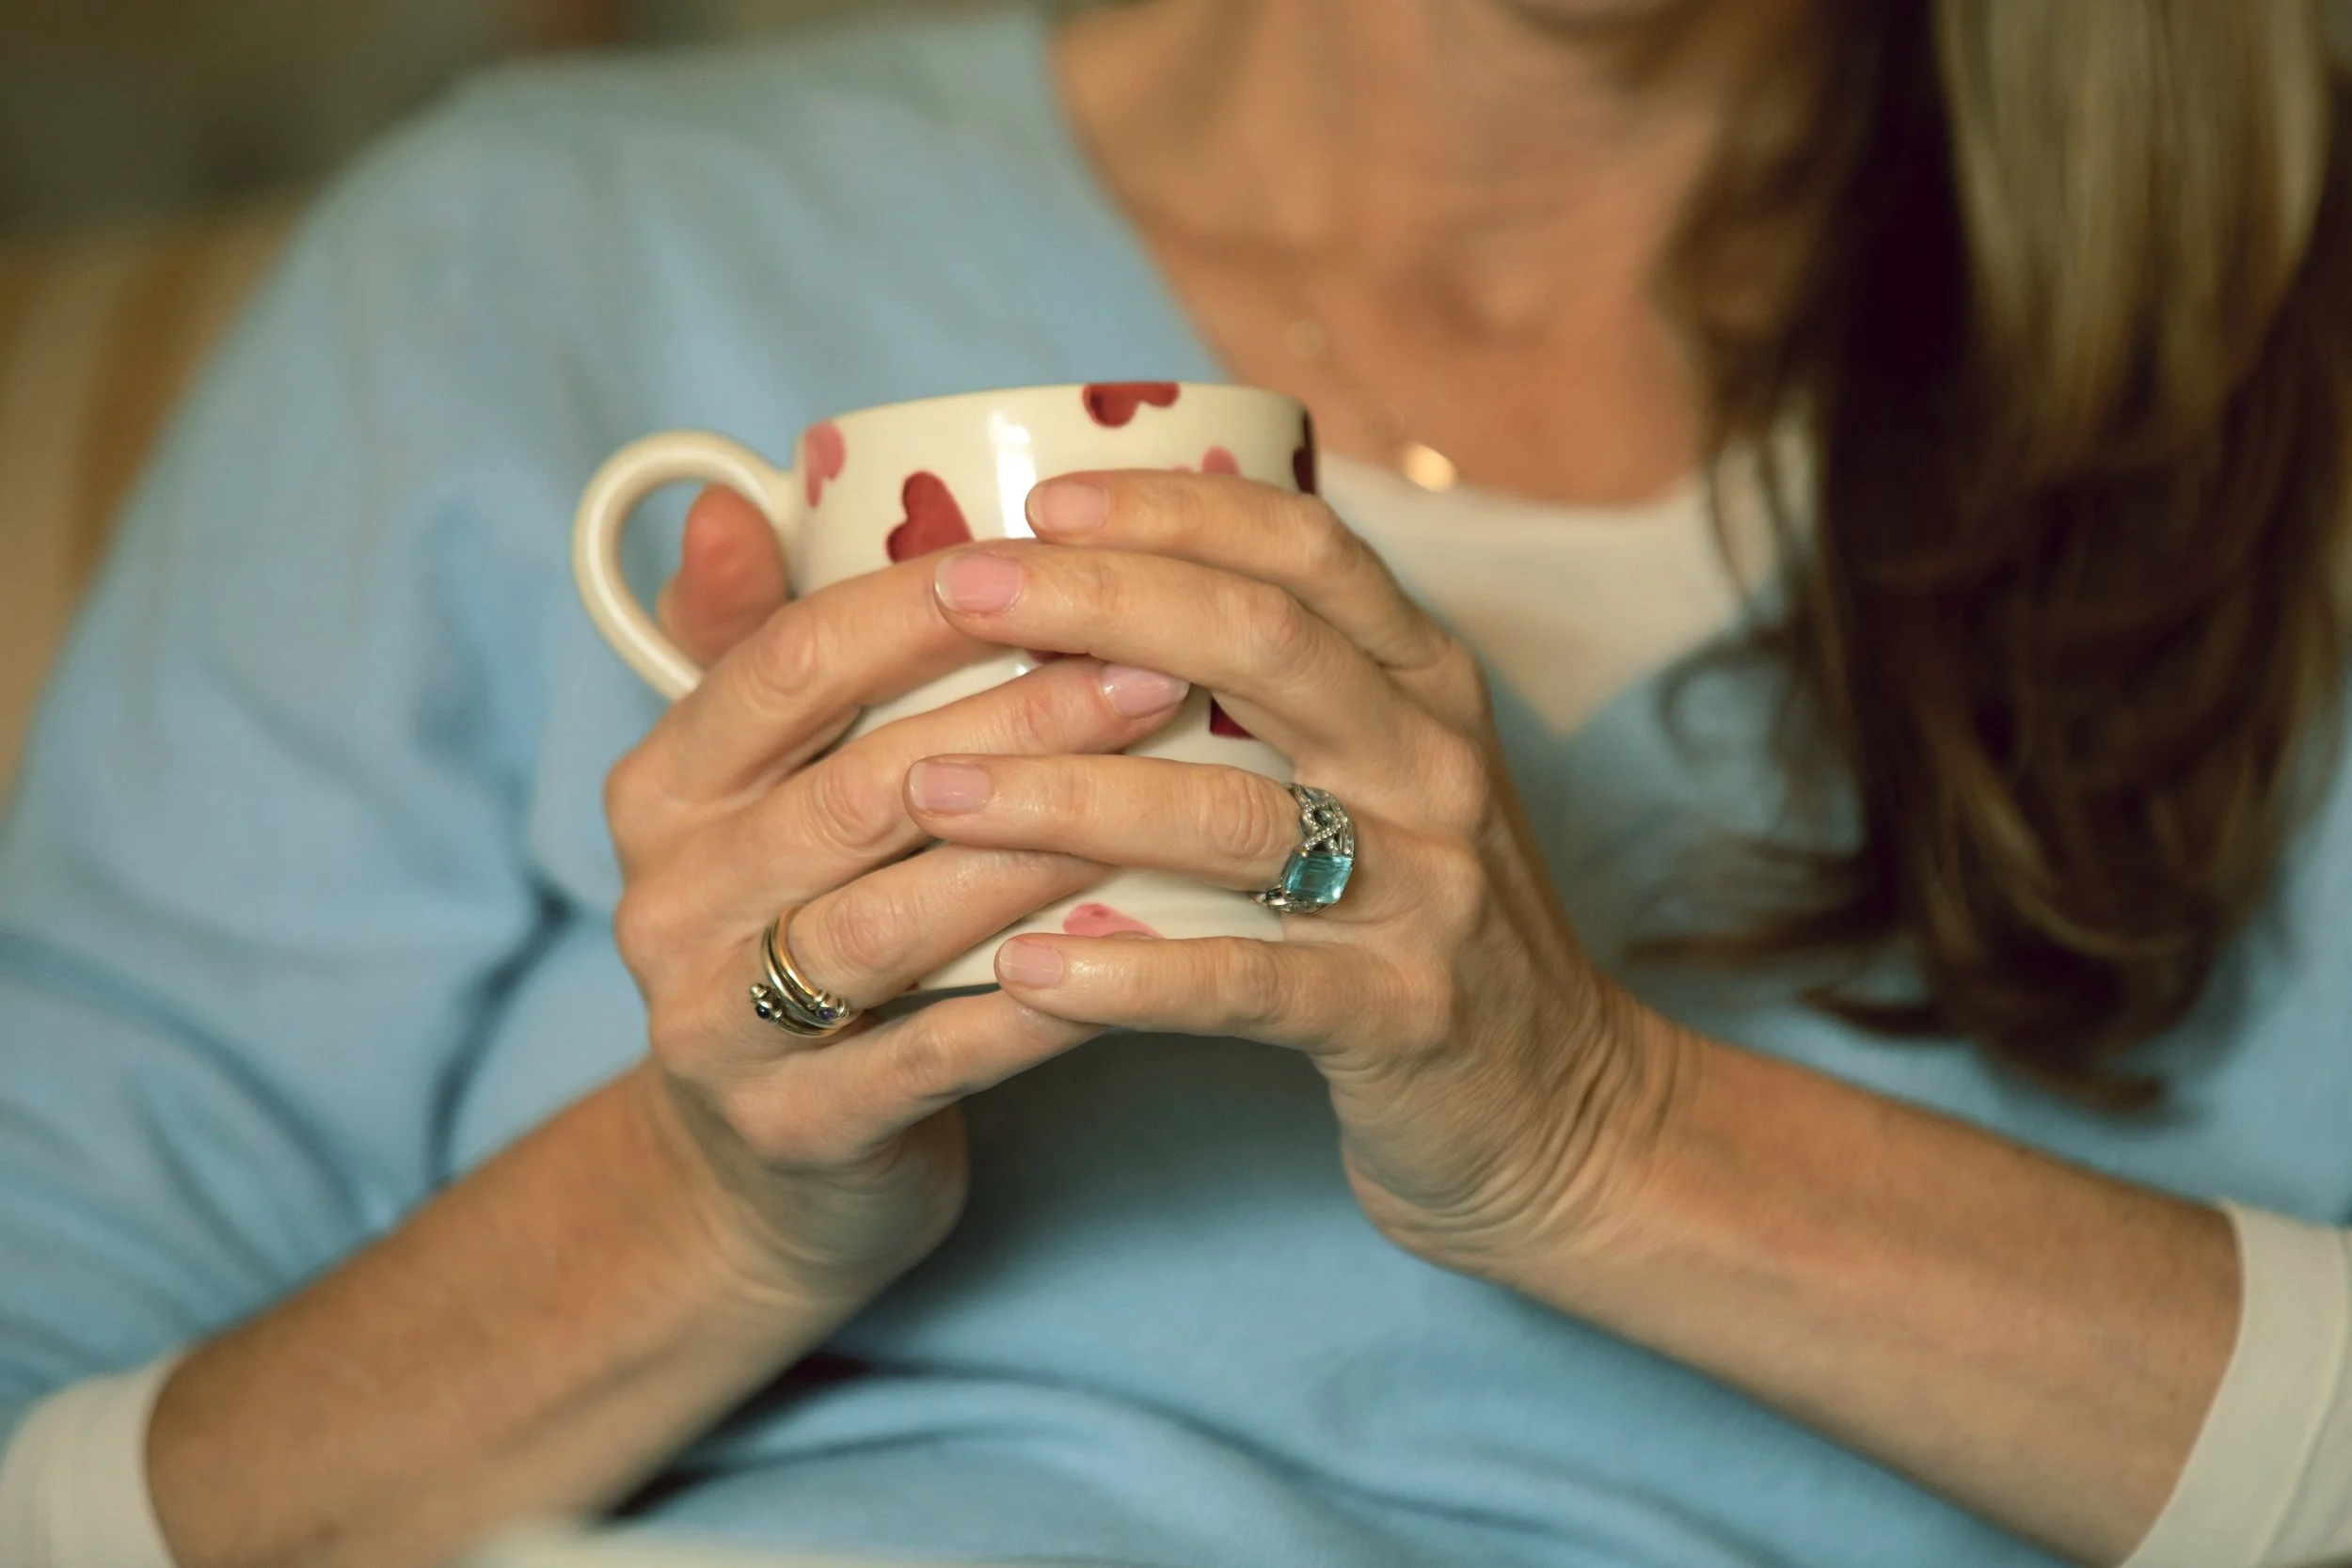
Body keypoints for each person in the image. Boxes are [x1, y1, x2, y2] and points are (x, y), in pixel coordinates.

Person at [2, 1, 2348, 1565]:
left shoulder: (2270, 382)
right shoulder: (544, 257)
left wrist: (1595, 1140)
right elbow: (62, 1480)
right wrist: (718, 1198)